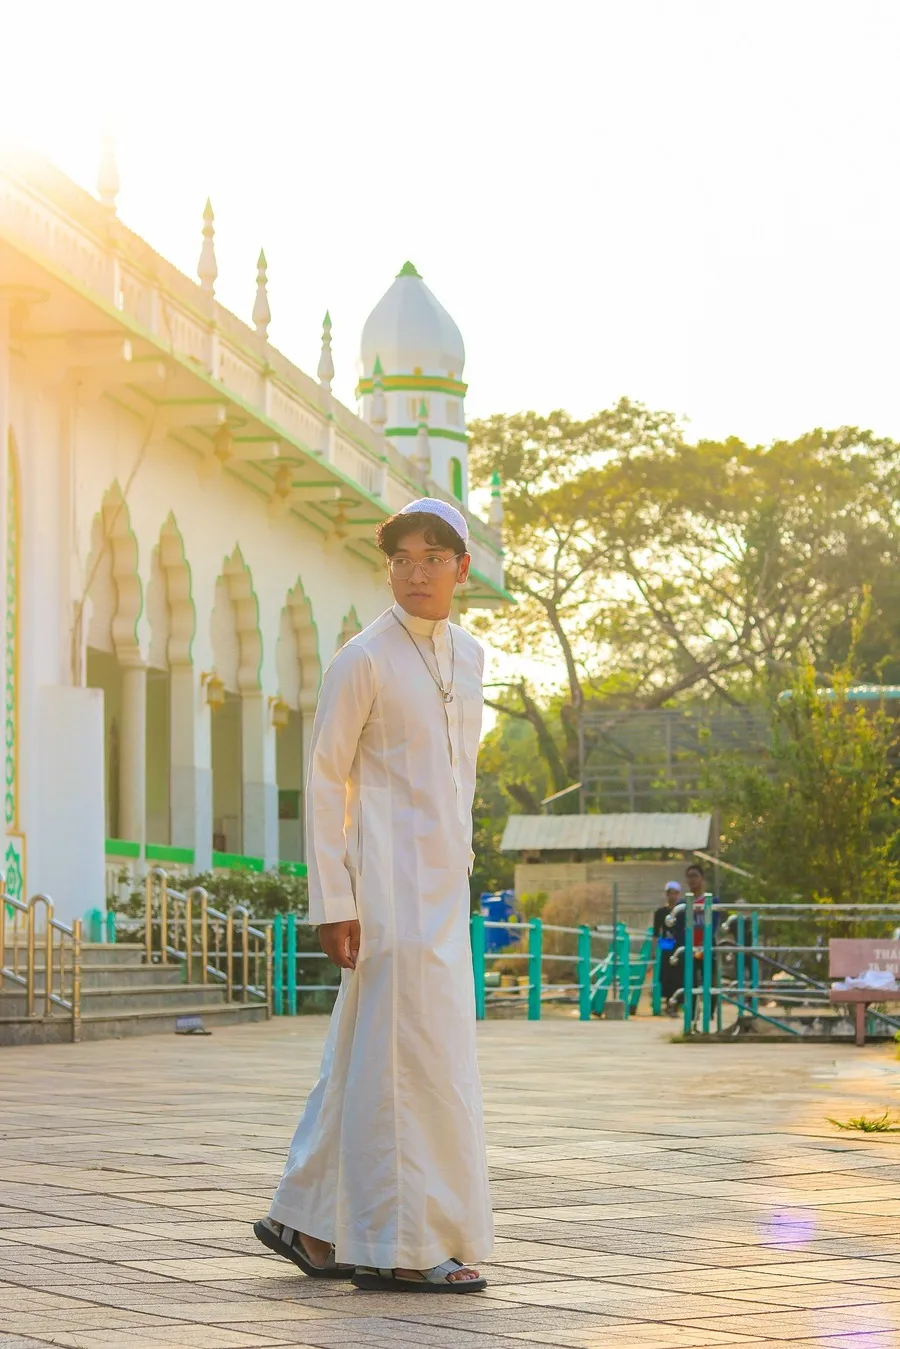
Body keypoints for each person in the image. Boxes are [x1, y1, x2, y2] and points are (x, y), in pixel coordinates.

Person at [254, 497, 493, 1295]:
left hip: (444, 889)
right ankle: (403, 1246)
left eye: (432, 557)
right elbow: (324, 779)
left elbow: (455, 782)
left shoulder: (470, 658)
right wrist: (334, 899)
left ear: (462, 568)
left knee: (376, 1051)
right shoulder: (364, 656)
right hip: (385, 888)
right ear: (386, 567)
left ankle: (309, 1217)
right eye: (401, 558)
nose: (416, 572)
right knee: (408, 1061)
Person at [652, 881, 682, 1013]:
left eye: (675, 893)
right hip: (666, 945)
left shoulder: (682, 911)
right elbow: (656, 933)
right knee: (666, 974)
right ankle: (668, 1000)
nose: (672, 896)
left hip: (679, 945)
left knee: (679, 974)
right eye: (670, 893)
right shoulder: (661, 912)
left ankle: (678, 1002)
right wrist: (655, 950)